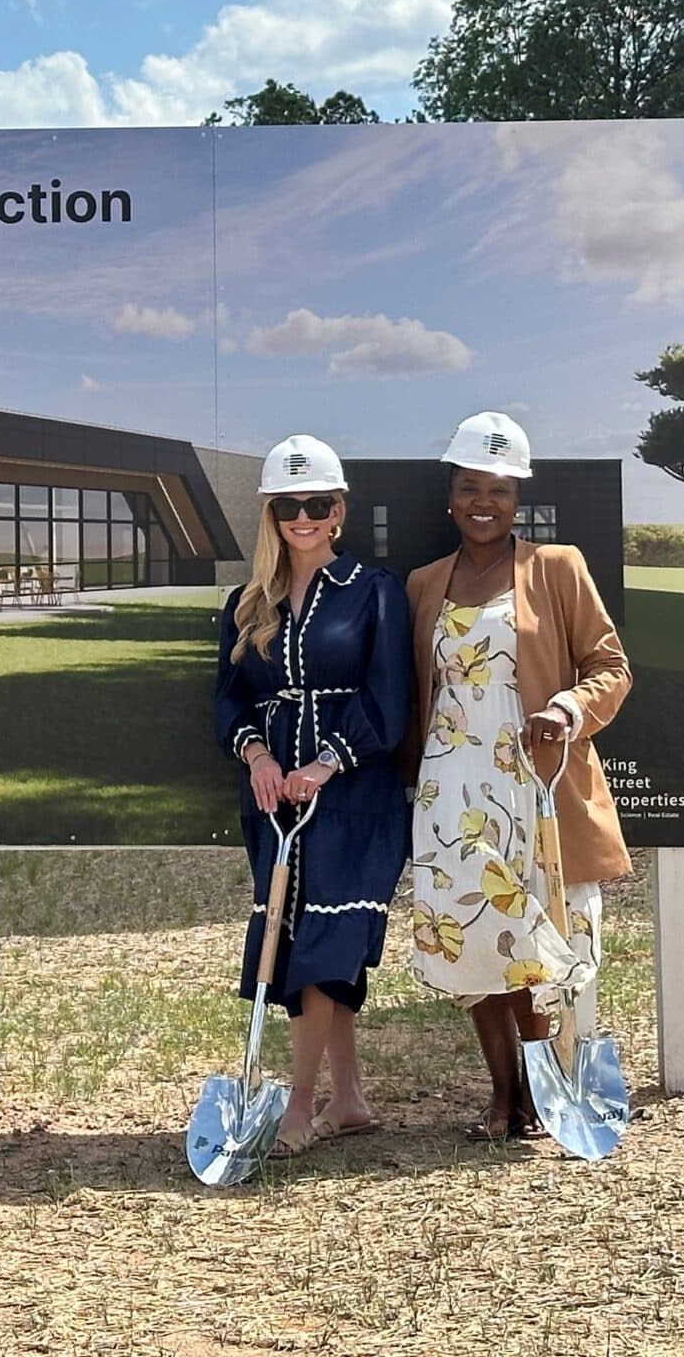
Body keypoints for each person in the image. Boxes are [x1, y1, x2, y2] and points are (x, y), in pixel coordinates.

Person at [403, 411, 632, 1143]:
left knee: (534, 943)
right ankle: (502, 1096)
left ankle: (539, 1093)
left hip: (531, 789)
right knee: (470, 941)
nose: (483, 502)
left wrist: (568, 707)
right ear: (450, 496)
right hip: (448, 791)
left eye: (498, 490)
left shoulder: (557, 569)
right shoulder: (421, 584)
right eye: (470, 487)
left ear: (517, 498)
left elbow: (611, 668)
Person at [213, 434, 413, 1153]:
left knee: (326, 944)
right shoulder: (247, 602)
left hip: (354, 795)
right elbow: (226, 703)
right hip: (274, 802)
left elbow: (390, 698)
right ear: (271, 513)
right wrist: (259, 756)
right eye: (288, 505)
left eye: (317, 504)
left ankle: (298, 1106)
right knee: (294, 939)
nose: (303, 517)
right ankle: (350, 1099)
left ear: (338, 511)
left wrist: (326, 763)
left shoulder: (372, 589)